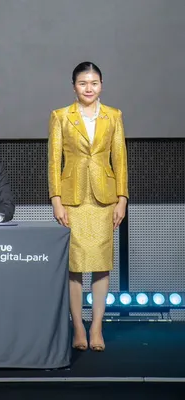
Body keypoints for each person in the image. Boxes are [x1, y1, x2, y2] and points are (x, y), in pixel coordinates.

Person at [48, 61, 128, 352]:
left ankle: (96, 326)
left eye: (94, 83)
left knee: (101, 265)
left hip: (104, 199)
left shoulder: (114, 115)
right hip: (73, 199)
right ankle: (78, 327)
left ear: (101, 85)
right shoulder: (60, 116)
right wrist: (56, 200)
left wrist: (122, 199)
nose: (89, 88)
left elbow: (120, 159)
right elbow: (54, 160)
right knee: (74, 266)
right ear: (74, 87)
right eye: (83, 83)